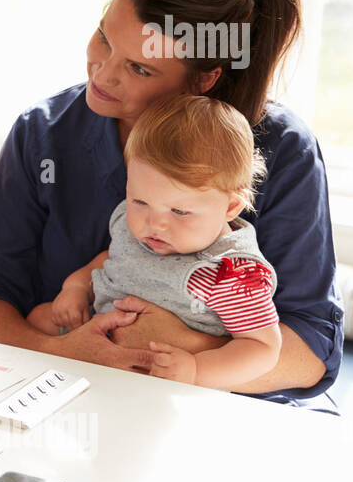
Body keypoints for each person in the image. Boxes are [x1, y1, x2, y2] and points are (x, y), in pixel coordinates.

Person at [0, 0, 342, 405]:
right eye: (104, 38)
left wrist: (185, 351)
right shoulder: (44, 132)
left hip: (225, 406)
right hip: (63, 388)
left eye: (138, 67)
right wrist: (61, 352)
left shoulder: (284, 151)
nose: (103, 73)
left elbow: (312, 348)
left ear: (204, 77)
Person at [28, 94, 282, 389]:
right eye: (140, 201)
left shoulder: (230, 274)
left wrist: (196, 370)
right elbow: (114, 258)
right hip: (95, 339)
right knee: (38, 319)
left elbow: (263, 347)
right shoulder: (134, 222)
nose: (154, 224)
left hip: (161, 377)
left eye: (179, 211)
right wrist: (75, 287)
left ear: (230, 208)